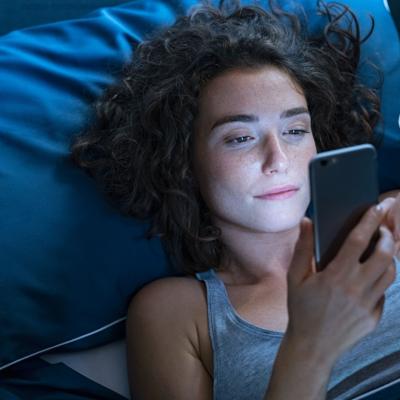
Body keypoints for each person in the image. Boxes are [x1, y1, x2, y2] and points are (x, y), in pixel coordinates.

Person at [71, 0, 400, 398]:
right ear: (183, 161)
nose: (278, 160)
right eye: (240, 138)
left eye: (295, 130)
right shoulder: (177, 315)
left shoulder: (389, 227)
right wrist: (310, 348)